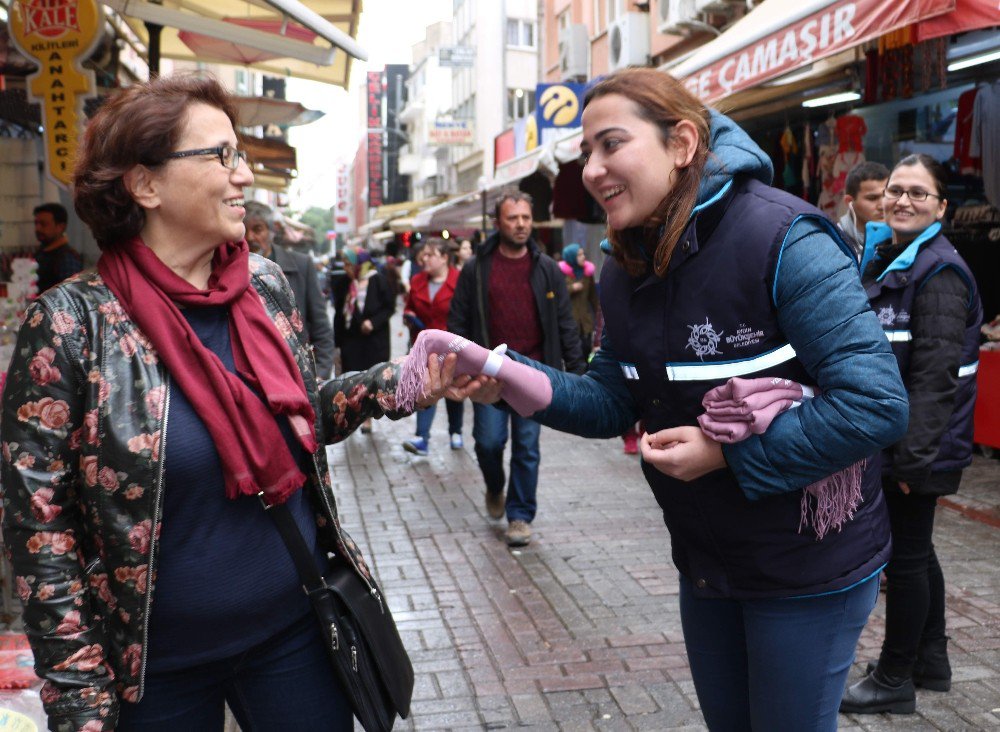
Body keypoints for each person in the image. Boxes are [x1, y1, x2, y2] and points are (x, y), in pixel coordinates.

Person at [0, 74, 461, 731]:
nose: (244, 175)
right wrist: (77, 691)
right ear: (145, 184)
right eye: (222, 155)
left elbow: (299, 416)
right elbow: (38, 524)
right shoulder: (72, 323)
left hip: (294, 634)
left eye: (240, 154)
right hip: (151, 670)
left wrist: (399, 383)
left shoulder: (264, 286)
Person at [456, 68, 908, 729]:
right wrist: (505, 374)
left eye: (611, 144)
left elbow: (875, 403)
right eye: (586, 152)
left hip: (808, 562)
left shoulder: (784, 239)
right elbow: (613, 398)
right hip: (706, 559)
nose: (591, 169)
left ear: (682, 143)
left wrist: (729, 455)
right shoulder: (625, 265)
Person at [841, 154, 982, 715]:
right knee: (917, 554)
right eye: (895, 191)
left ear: (941, 207)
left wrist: (913, 460)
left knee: (903, 559)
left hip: (918, 444)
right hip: (904, 440)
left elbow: (935, 375)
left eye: (918, 194)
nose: (902, 200)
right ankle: (931, 660)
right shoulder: (896, 257)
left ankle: (896, 676)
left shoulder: (939, 272)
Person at [448, 190, 584, 547]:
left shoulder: (547, 268)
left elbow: (565, 323)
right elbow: (458, 321)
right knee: (488, 443)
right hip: (488, 375)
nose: (521, 224)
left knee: (527, 446)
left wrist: (578, 371)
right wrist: (460, 367)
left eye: (526, 217)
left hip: (534, 375)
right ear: (498, 223)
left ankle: (520, 515)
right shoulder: (476, 268)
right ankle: (495, 486)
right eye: (513, 218)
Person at [244, 201, 335, 379]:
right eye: (244, 230)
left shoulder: (301, 265)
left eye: (258, 229)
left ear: (272, 232)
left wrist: (321, 373)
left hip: (297, 375)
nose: (250, 237)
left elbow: (321, 326)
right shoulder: (231, 269)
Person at [402, 237, 464, 455]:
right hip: (425, 349)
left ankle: (456, 432)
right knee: (426, 389)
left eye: (430, 255)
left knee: (453, 390)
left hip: (454, 347)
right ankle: (422, 437)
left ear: (445, 258)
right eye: (423, 256)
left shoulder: (460, 280)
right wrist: (409, 316)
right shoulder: (418, 281)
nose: (424, 260)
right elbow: (408, 307)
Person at [338, 246, 396, 433]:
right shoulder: (346, 283)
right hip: (352, 340)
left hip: (373, 340)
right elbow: (339, 314)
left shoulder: (377, 280)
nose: (345, 267)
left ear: (359, 264)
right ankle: (353, 415)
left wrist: (373, 322)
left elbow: (389, 307)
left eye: (348, 263)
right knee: (353, 379)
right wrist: (336, 343)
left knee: (371, 380)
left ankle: (368, 417)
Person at [838, 161, 890, 260]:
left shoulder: (901, 236)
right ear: (849, 201)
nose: (883, 205)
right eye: (872, 198)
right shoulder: (834, 241)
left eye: (887, 195)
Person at [558, 243, 599, 361]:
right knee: (572, 356)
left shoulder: (587, 274)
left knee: (586, 353)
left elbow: (593, 298)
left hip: (585, 323)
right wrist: (571, 288)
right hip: (569, 322)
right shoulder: (561, 274)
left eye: (583, 254)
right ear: (571, 257)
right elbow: (556, 294)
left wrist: (599, 317)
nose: (583, 257)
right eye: (579, 255)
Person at [33, 202, 83, 292]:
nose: (38, 228)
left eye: (43, 224)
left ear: (60, 227)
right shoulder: (41, 253)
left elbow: (70, 294)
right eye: (36, 223)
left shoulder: (67, 258)